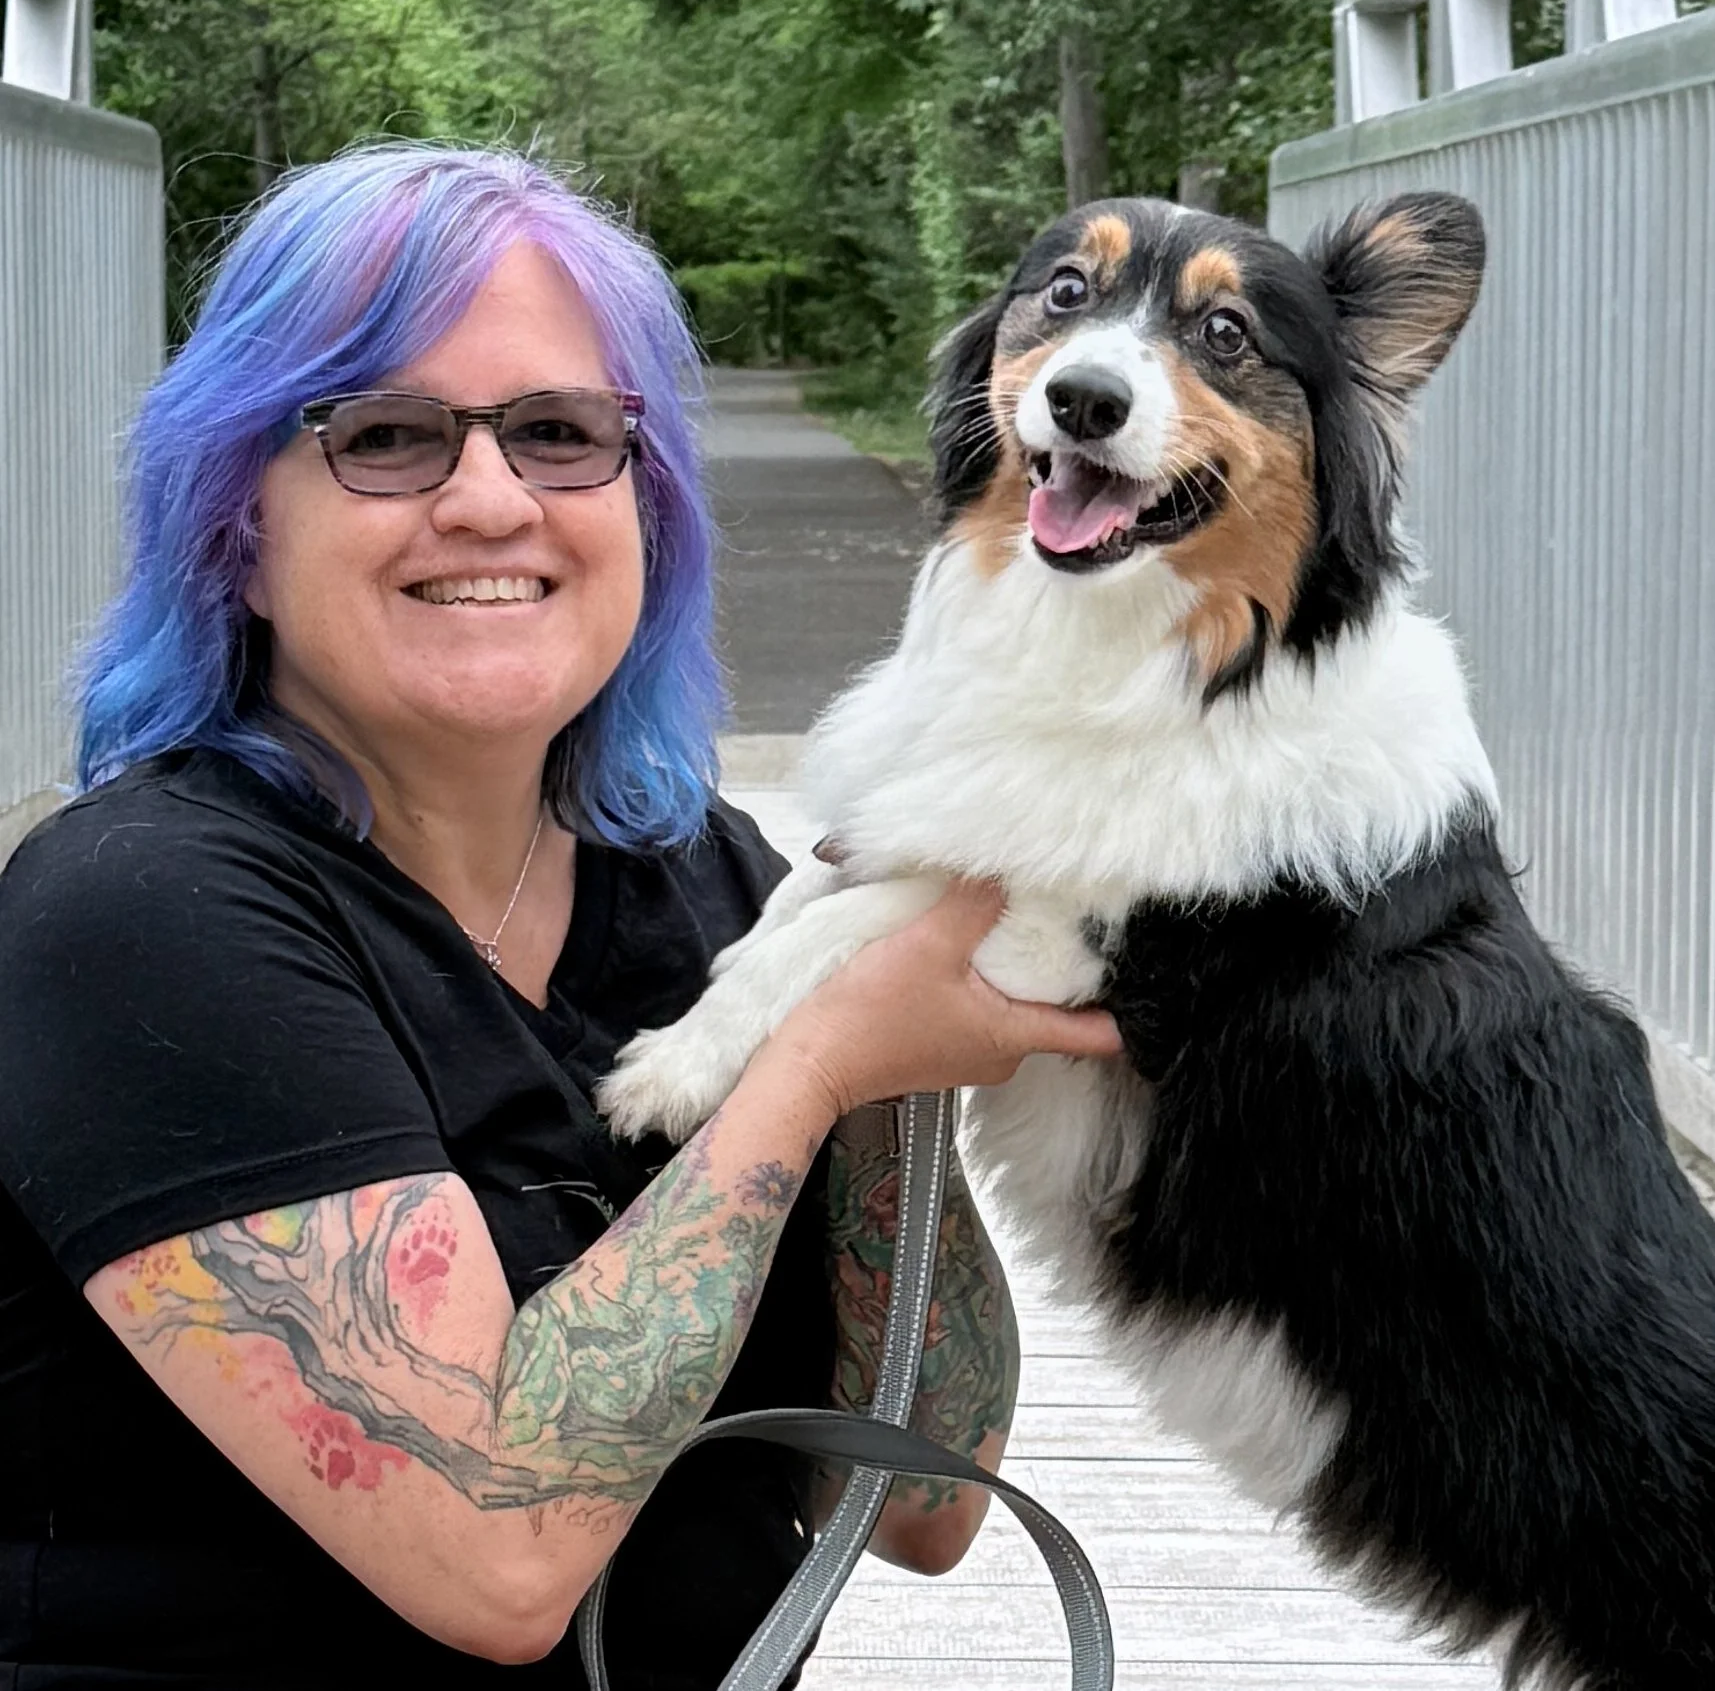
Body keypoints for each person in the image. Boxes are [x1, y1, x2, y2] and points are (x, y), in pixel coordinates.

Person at [0, 142, 1121, 1689]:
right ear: (236, 534)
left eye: (558, 434)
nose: (486, 499)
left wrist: (891, 1007)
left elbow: (922, 1496)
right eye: (385, 436)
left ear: (643, 511)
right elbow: (496, 1553)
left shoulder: (710, 878)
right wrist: (801, 1068)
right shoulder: (141, 915)